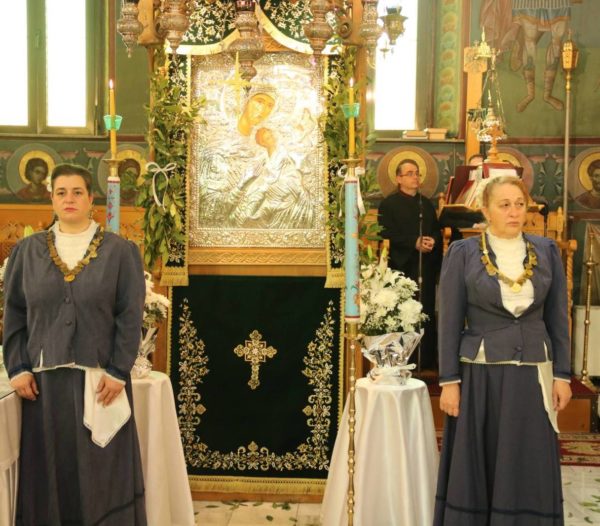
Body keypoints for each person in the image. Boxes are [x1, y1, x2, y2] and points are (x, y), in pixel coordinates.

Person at [2, 163, 147, 525]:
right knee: (51, 471)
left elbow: (130, 315)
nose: (69, 199)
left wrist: (118, 370)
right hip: (44, 385)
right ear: (51, 198)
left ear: (90, 199)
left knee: (102, 474)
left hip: (102, 381)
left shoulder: (120, 252)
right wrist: (17, 367)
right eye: (61, 192)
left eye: (77, 192)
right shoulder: (27, 252)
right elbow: (15, 313)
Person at [434, 175, 572, 525]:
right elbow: (449, 321)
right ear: (486, 210)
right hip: (481, 374)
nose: (514, 212)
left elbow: (558, 317)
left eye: (520, 204)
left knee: (528, 455)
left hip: (533, 373)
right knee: (480, 458)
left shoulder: (546, 251)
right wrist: (449, 381)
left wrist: (562, 375)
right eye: (504, 205)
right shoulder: (463, 253)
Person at [378, 159, 442, 370]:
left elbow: (436, 230)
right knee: (403, 313)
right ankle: (402, 360)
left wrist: (432, 241)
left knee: (425, 310)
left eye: (417, 173)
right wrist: (413, 242)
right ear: (398, 178)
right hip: (402, 266)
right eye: (410, 173)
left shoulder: (426, 204)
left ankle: (426, 361)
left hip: (425, 265)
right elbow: (386, 234)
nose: (415, 177)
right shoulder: (388, 205)